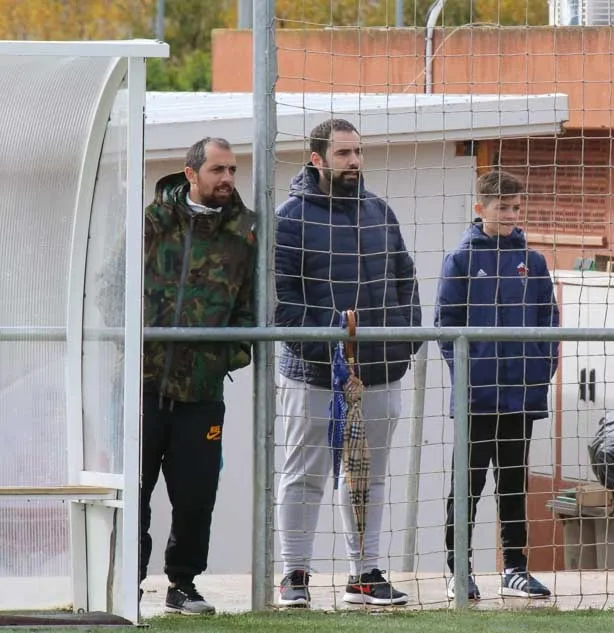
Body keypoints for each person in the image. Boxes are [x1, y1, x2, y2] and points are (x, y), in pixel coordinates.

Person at [274, 118, 421, 608]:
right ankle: (294, 574)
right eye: (343, 153)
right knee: (305, 474)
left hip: (381, 372)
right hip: (313, 374)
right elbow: (281, 302)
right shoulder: (290, 219)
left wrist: (403, 344)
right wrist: (333, 350)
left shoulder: (380, 212)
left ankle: (365, 573)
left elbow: (406, 280)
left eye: (357, 152)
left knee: (368, 475)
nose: (354, 161)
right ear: (316, 159)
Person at [139, 137, 256, 614]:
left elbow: (250, 306)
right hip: (143, 389)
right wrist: (129, 351)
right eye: (217, 170)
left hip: (202, 392)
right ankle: (126, 585)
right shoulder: (152, 222)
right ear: (191, 173)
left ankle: (182, 585)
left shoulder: (245, 231)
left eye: (231, 170)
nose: (227, 178)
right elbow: (111, 284)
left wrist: (224, 356)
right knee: (135, 492)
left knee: (195, 497)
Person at [434, 169, 559, 600]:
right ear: (480, 208)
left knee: (513, 485)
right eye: (502, 207)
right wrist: (469, 373)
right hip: (477, 398)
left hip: (520, 397)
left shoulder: (533, 262)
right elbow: (445, 324)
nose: (510, 215)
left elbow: (549, 320)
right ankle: (459, 570)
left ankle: (515, 569)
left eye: (516, 207)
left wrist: (540, 368)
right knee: (466, 486)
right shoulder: (461, 260)